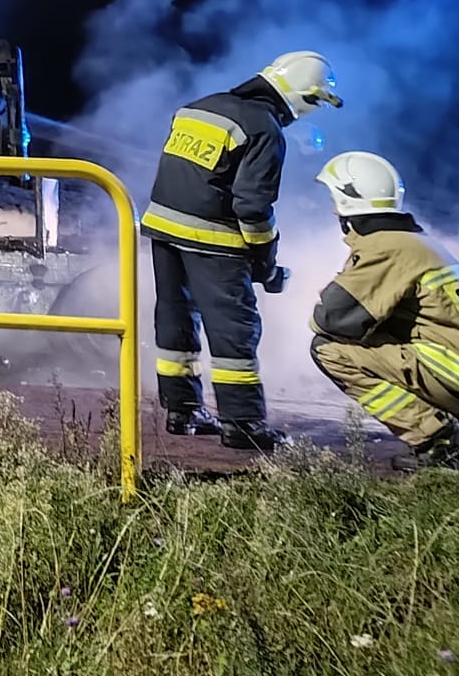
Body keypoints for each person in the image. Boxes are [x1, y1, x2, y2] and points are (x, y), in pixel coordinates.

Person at [142, 50, 342, 451]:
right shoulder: (265, 130)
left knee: (175, 319)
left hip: (163, 230)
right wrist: (265, 260)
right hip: (213, 240)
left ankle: (181, 412)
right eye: (316, 102)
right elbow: (251, 207)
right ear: (303, 96)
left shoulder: (199, 108)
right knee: (234, 331)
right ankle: (243, 423)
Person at [308, 151, 459, 466]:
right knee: (388, 332)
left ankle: (439, 441)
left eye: (334, 198)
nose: (332, 209)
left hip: (457, 373)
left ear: (349, 201)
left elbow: (330, 320)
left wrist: (336, 300)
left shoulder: (385, 247)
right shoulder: (414, 242)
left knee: (328, 350)